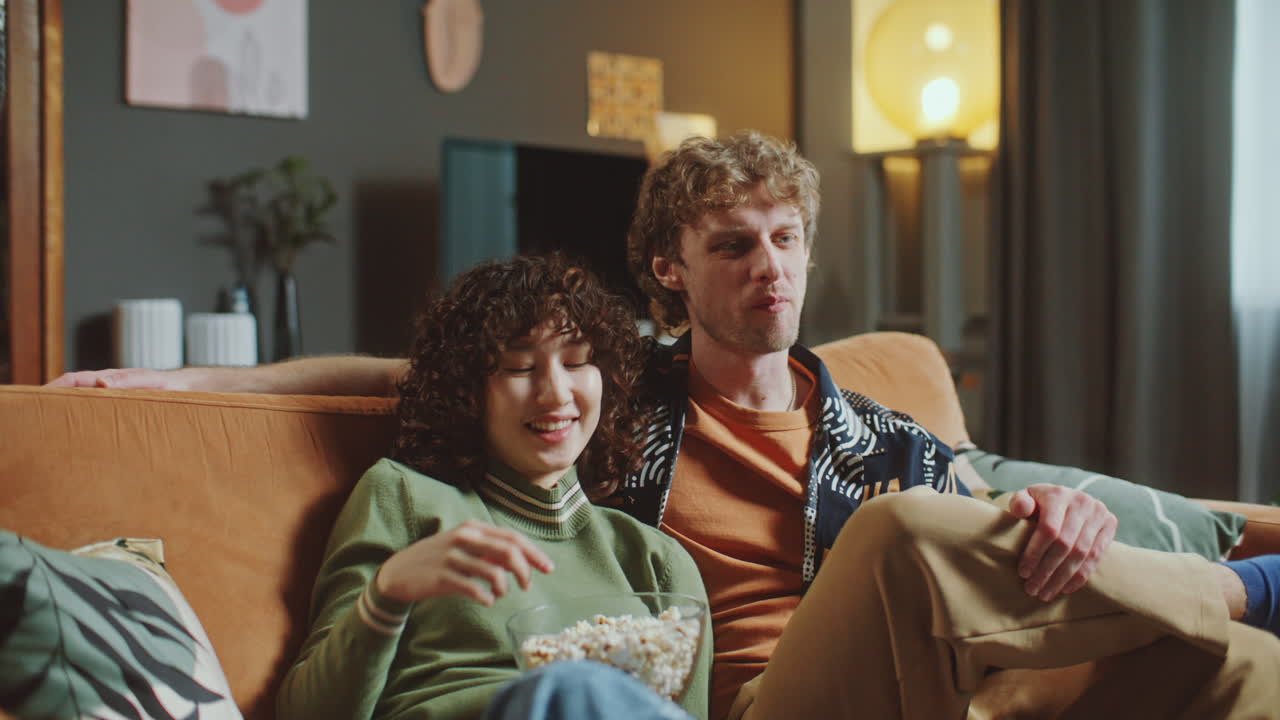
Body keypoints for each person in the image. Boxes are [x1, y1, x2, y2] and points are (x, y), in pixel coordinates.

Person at [54, 132, 1280, 719]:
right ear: (667, 272)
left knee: (1232, 670)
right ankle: (1240, 586)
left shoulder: (881, 432)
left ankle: (1237, 607)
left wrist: (1064, 510)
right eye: (732, 246)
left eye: (786, 239)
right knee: (907, 536)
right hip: (768, 702)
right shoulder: (615, 392)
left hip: (931, 689)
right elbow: (395, 375)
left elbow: (1003, 506)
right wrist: (199, 384)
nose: (769, 269)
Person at [275, 254, 711, 720]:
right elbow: (306, 713)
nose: (556, 393)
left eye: (577, 362)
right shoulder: (406, 497)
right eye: (521, 368)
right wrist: (388, 594)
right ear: (469, 391)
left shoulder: (657, 564)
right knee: (575, 685)